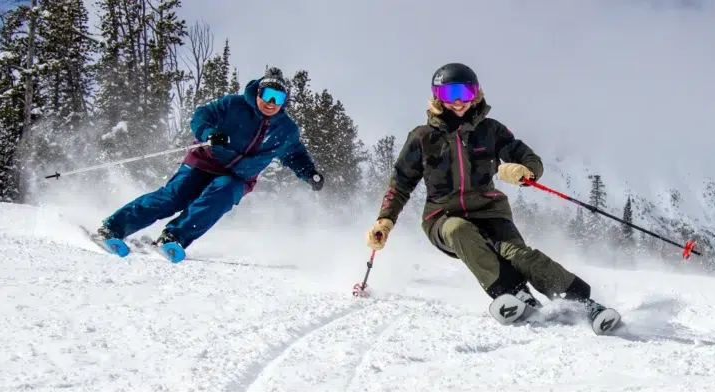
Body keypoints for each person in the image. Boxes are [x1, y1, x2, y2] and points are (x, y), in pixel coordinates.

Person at [365, 62, 611, 322]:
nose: (459, 102)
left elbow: (529, 158)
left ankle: (582, 303)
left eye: (466, 93)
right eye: (450, 94)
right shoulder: (422, 138)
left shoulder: (490, 130)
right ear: (437, 96)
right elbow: (401, 183)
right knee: (459, 230)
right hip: (442, 216)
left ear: (476, 94)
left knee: (520, 255)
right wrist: (385, 220)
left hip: (490, 212)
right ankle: (514, 292)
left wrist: (524, 171)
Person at [96, 67, 324, 255]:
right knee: (174, 197)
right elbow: (201, 116)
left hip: (238, 176)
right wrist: (209, 134)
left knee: (221, 195)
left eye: (279, 98)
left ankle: (174, 237)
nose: (271, 103)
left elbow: (295, 154)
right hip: (205, 162)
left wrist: (309, 173)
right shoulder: (234, 105)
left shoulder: (285, 129)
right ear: (258, 94)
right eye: (267, 95)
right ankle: (113, 228)